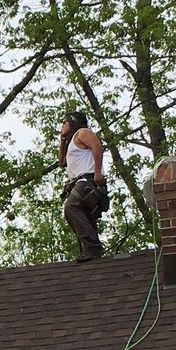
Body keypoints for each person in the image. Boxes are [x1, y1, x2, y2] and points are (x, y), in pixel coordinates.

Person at [59, 110, 109, 261]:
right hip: (79, 182)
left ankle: (92, 247)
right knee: (84, 216)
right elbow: (62, 163)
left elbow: (97, 147)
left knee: (71, 207)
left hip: (88, 180)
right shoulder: (72, 140)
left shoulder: (82, 132)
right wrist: (62, 140)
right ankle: (93, 251)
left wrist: (98, 172)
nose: (62, 126)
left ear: (72, 121)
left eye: (64, 122)